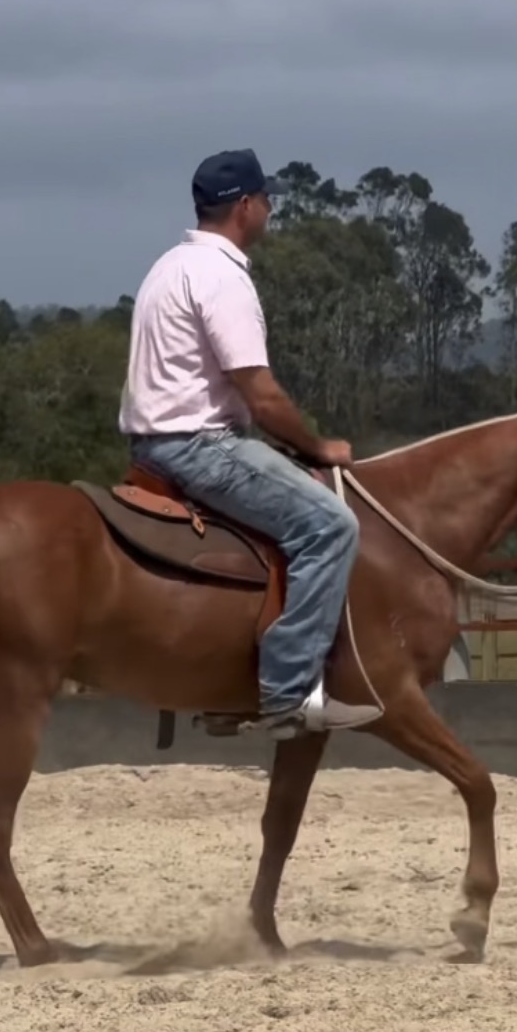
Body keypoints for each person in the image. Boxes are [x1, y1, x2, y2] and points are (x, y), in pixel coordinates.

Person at [118, 148, 382, 735]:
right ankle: (287, 693)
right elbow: (262, 396)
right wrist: (317, 448)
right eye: (266, 199)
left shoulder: (169, 266)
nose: (269, 208)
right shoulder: (222, 276)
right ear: (244, 206)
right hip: (199, 448)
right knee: (331, 526)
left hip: (152, 446)